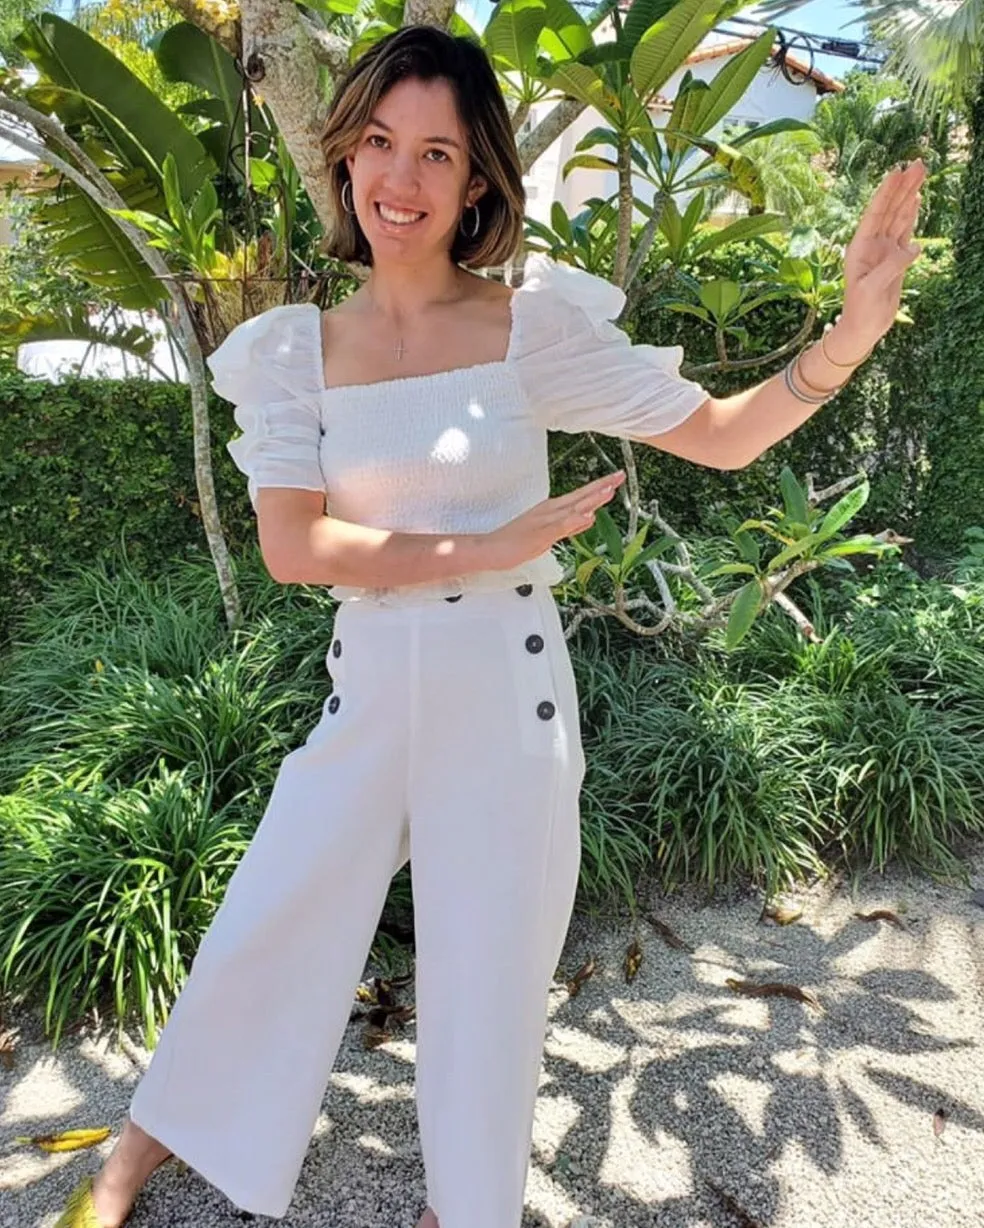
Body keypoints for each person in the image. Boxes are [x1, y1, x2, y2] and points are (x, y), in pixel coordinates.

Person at [54, 22, 924, 1228]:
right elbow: (293, 545)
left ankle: (466, 1205)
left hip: (505, 688)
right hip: (374, 685)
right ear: (346, 156)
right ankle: (137, 1151)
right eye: (378, 144)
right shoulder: (296, 353)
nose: (399, 181)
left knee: (490, 973)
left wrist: (854, 333)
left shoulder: (532, 332)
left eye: (436, 155)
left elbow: (723, 434)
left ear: (477, 184)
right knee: (271, 909)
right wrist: (481, 543)